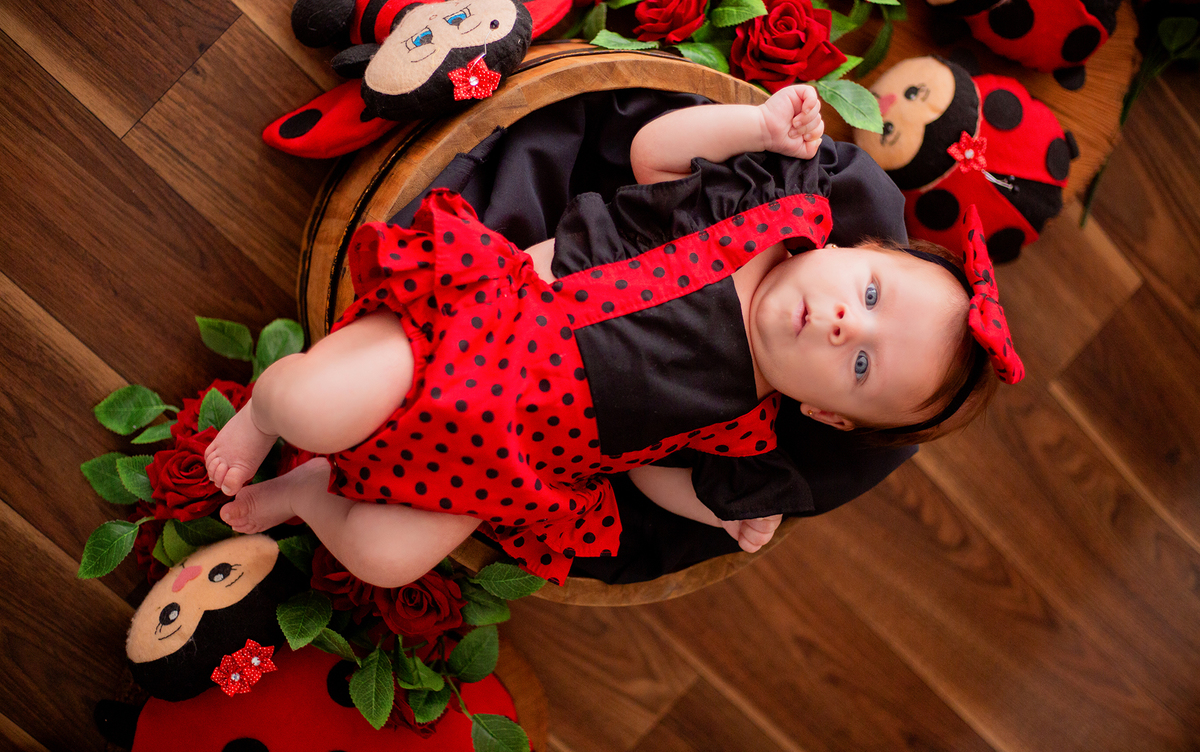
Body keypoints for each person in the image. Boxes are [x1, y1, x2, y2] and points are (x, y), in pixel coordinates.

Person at [207, 85, 1023, 588]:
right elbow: (648, 153)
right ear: (854, 245)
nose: (848, 322)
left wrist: (717, 519)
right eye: (872, 292)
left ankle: (311, 495)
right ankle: (268, 417)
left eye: (860, 365)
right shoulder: (764, 212)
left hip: (504, 467)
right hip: (474, 333)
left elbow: (656, 478)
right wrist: (756, 127)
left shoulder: (746, 426)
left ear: (831, 418)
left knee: (385, 560)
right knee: (312, 403)